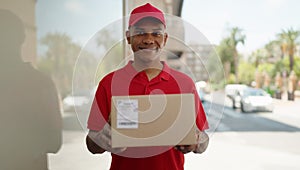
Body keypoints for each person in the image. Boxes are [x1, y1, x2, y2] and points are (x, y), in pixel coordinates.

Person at [86, 3, 209, 170]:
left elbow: (204, 141)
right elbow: (91, 145)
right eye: (140, 33)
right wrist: (103, 137)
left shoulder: (185, 83)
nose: (149, 39)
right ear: (128, 37)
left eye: (156, 33)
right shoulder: (108, 84)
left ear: (164, 39)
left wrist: (195, 142)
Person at [0, 9, 62, 170]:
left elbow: (55, 143)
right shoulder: (42, 83)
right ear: (22, 38)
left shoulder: (42, 84)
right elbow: (54, 142)